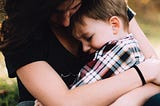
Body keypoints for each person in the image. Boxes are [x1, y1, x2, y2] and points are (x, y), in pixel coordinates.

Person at [0, 0, 160, 106]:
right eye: (54, 12)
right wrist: (143, 72)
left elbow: (157, 73)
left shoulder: (104, 8)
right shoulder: (19, 33)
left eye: (73, 8)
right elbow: (64, 103)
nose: (65, 22)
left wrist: (132, 99)